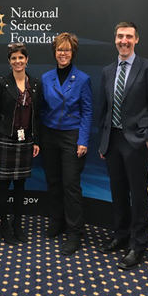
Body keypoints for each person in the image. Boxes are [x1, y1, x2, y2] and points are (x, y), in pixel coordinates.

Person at [98, 21, 148, 270]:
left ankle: (138, 244)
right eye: (119, 36)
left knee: (137, 195)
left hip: (137, 143)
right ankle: (121, 234)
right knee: (117, 191)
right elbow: (104, 109)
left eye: (128, 36)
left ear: (137, 39)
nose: (123, 40)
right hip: (112, 141)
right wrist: (103, 141)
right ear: (115, 39)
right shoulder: (107, 71)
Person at [40, 32, 93, 256]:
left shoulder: (82, 79)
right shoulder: (45, 78)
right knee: (53, 181)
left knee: (71, 185)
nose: (63, 54)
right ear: (55, 52)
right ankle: (57, 221)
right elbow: (41, 108)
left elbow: (88, 111)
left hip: (72, 136)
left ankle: (75, 232)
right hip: (49, 135)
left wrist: (83, 140)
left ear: (73, 53)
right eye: (60, 50)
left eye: (67, 50)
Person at [0, 42, 40, 245]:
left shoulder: (35, 84)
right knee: (3, 184)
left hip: (26, 139)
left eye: (21, 58)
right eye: (14, 58)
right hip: (5, 139)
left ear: (27, 60)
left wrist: (36, 139)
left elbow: (37, 115)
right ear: (9, 62)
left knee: (20, 184)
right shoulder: (2, 83)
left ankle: (17, 223)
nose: (18, 61)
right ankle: (3, 225)